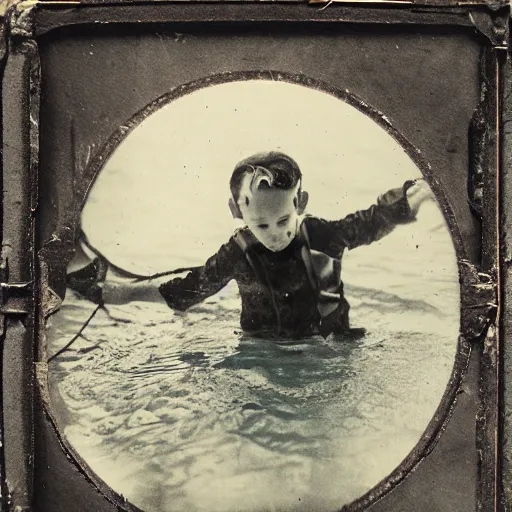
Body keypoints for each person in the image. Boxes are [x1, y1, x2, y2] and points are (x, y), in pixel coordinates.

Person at [68, 151, 431, 340]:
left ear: (299, 204)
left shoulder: (321, 236)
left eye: (283, 221)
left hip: (324, 348)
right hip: (263, 350)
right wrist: (124, 294)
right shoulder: (238, 252)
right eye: (261, 224)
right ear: (236, 211)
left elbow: (370, 223)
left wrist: (410, 201)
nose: (274, 234)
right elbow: (191, 288)